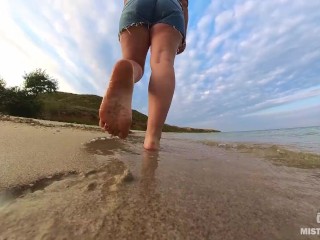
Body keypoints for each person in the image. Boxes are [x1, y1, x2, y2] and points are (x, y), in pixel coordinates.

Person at [99, 0, 189, 150]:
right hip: (171, 6)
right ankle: (152, 138)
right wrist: (183, 34)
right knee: (162, 62)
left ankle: (129, 67)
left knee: (133, 60)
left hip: (136, 3)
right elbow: (184, 5)